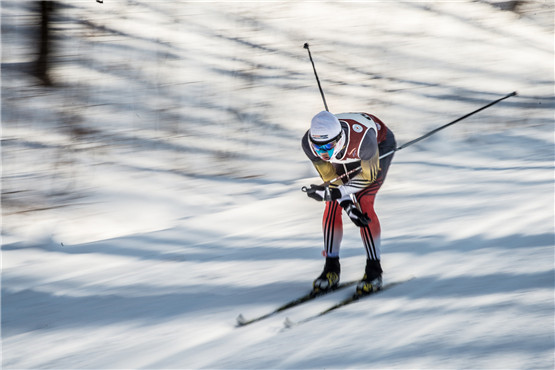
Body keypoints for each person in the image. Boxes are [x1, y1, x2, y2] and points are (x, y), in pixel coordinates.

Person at [302, 110, 396, 296]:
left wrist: (350, 204)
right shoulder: (309, 144)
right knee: (331, 205)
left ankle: (374, 271)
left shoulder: (364, 141)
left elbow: (367, 177)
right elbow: (332, 181)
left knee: (363, 201)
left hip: (376, 146)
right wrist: (346, 205)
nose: (323, 153)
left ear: (338, 138)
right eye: (318, 148)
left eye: (328, 146)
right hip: (346, 153)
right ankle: (331, 269)